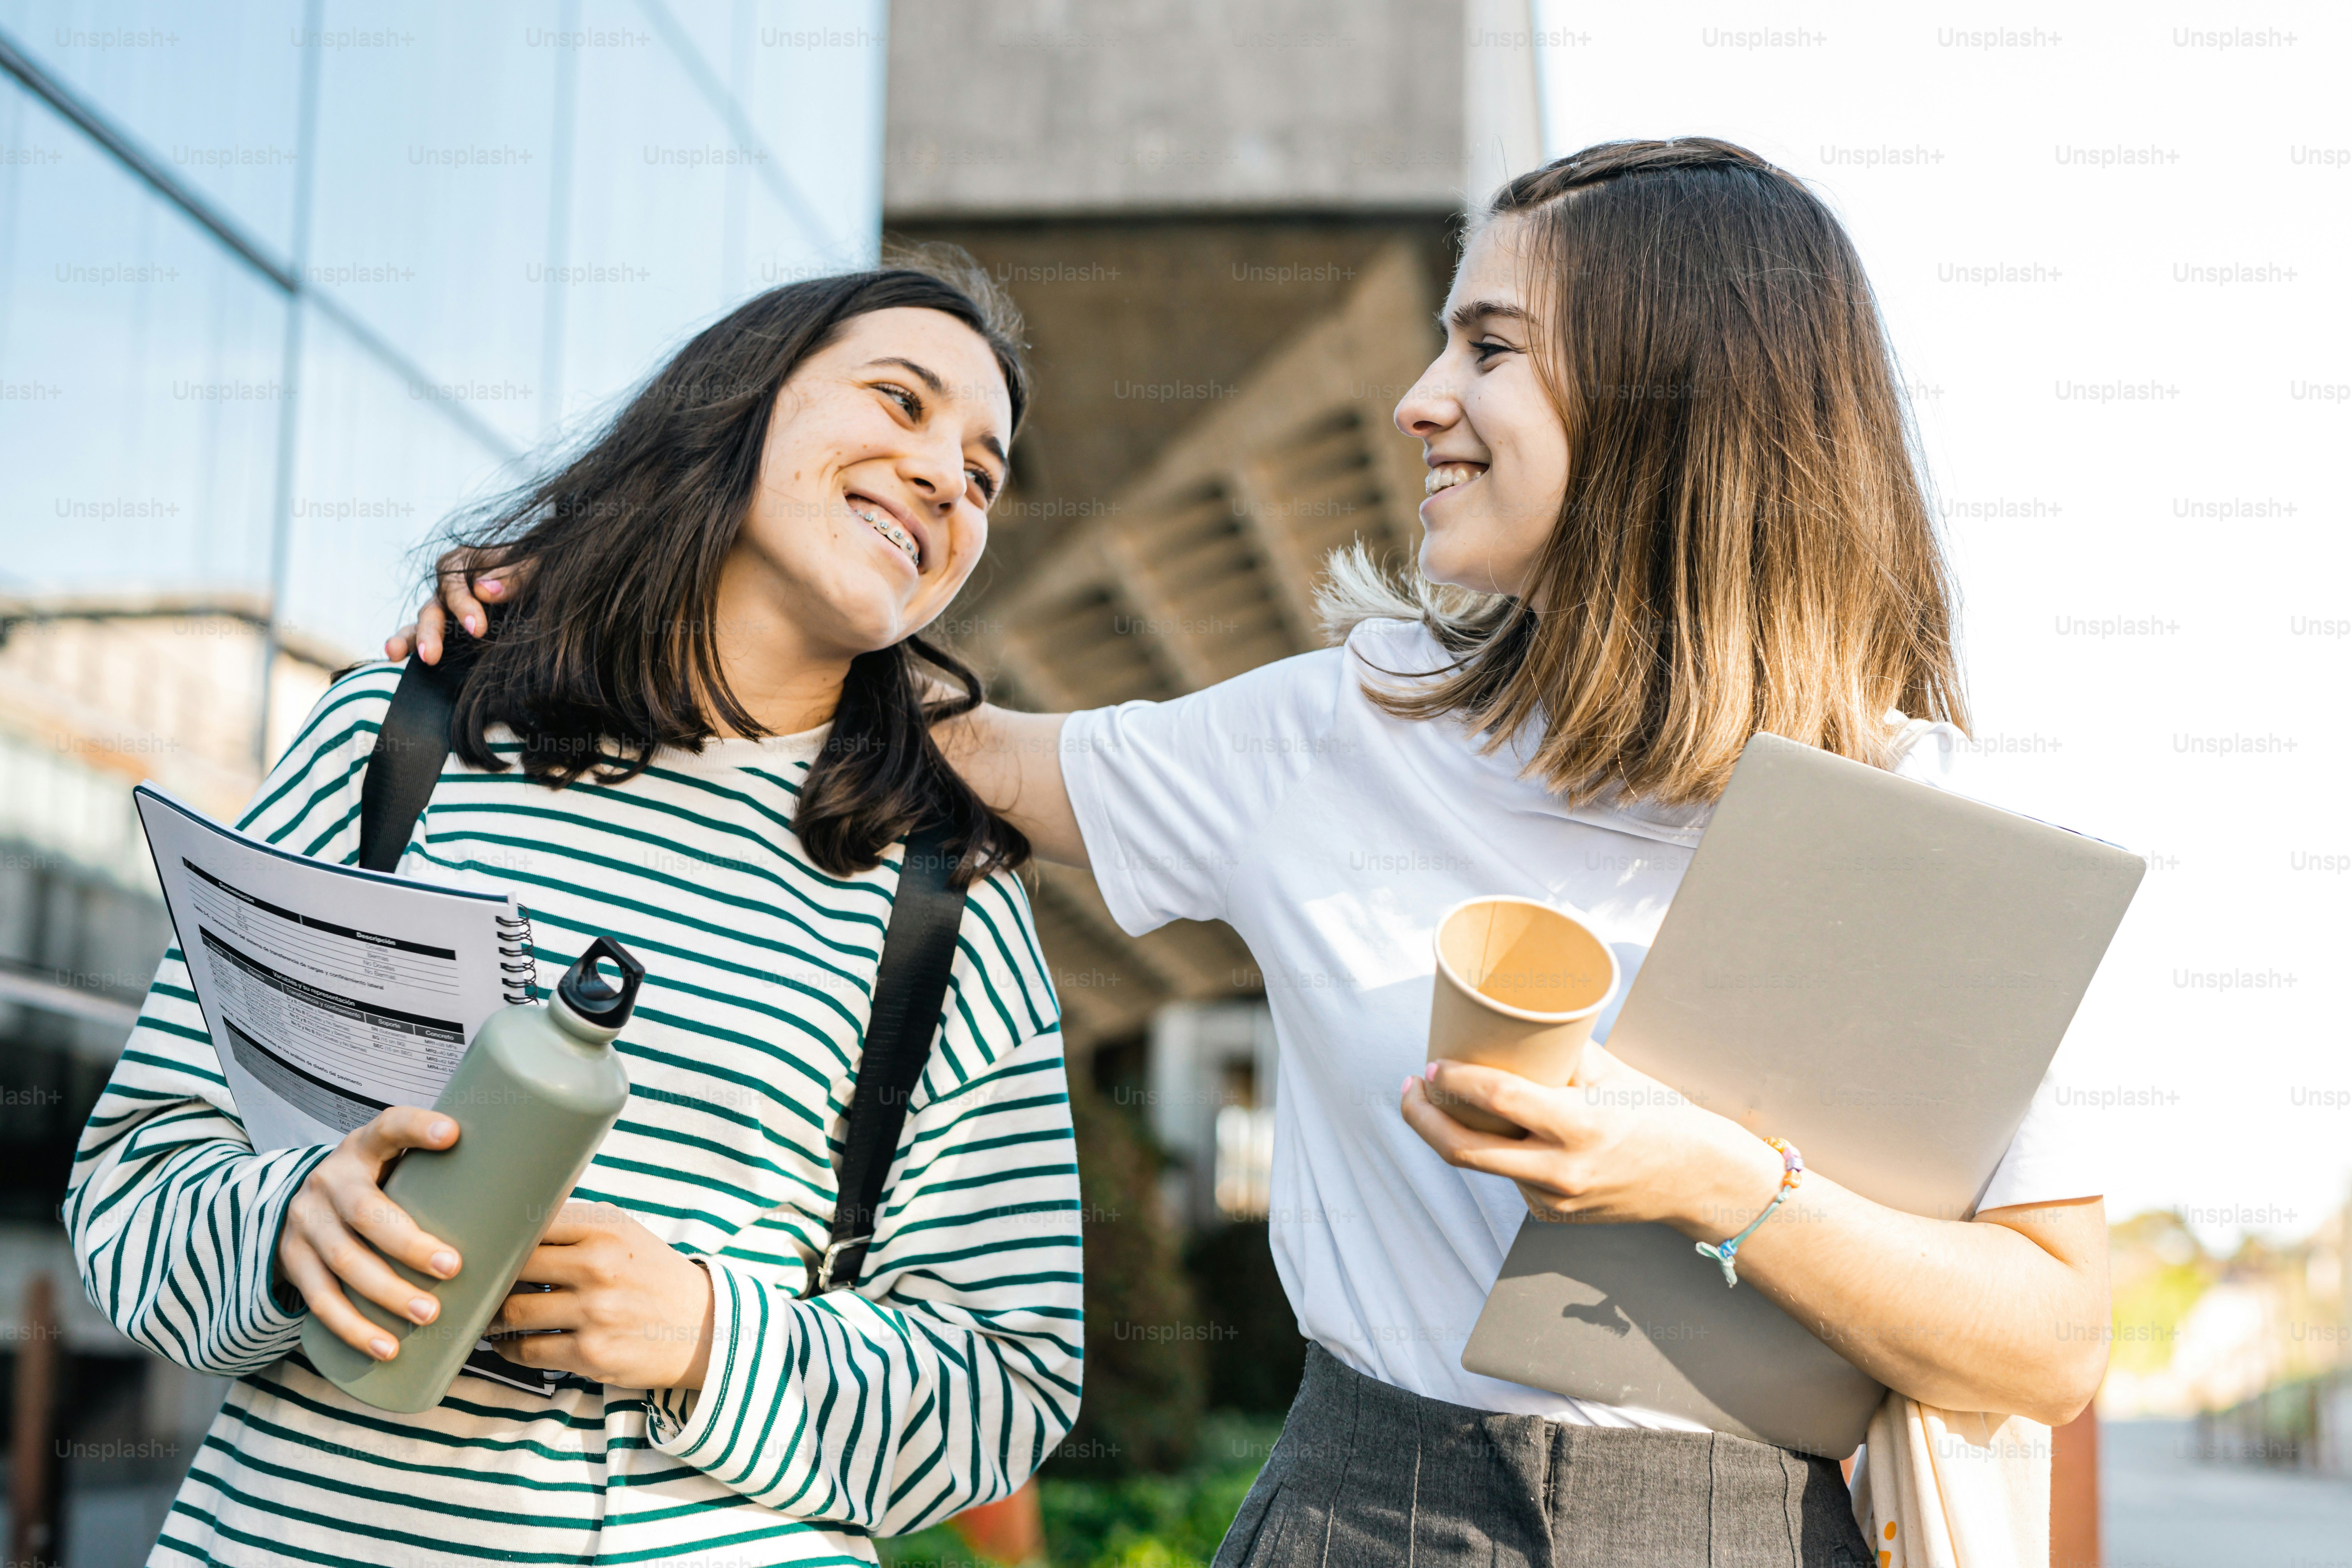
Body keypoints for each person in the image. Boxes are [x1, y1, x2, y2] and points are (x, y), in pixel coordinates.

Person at [399, 140, 2109, 1565]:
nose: (1422, 399)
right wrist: (607, 587)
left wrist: (1712, 1181)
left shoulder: (1917, 824)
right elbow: (942, 743)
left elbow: (2052, 1340)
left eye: (1492, 349)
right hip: (1367, 1508)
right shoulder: (1344, 728)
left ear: (1677, 398)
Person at [70, 261, 1081, 1567]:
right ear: (739, 406)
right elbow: (130, 1192)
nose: (948, 474)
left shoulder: (949, 900)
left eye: (985, 473)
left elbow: (1006, 1384)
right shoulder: (399, 744)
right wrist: (290, 1227)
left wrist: (713, 1340)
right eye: (899, 402)